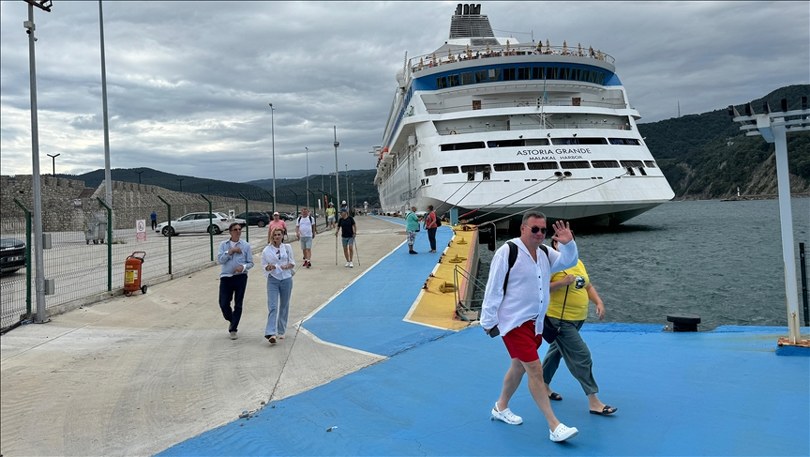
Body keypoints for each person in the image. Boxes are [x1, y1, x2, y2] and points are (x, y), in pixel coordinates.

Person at [480, 213, 580, 443]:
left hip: (535, 323)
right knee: (535, 369)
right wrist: (488, 322)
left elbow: (568, 262)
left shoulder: (545, 252)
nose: (540, 234)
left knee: (519, 366)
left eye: (543, 230)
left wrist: (568, 243)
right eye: (535, 229)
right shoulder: (508, 251)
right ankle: (554, 426)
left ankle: (500, 406)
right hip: (513, 322)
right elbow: (493, 287)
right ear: (523, 228)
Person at [542, 237, 617, 416]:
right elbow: (539, 286)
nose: (567, 246)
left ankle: (542, 385)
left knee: (556, 352)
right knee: (582, 356)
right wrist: (561, 283)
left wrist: (599, 302)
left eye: (570, 242)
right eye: (562, 242)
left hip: (577, 320)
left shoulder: (578, 262)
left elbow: (587, 286)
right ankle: (594, 401)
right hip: (559, 320)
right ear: (554, 244)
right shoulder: (553, 264)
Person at [217, 222, 253, 340]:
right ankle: (232, 319)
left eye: (239, 229)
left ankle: (233, 328)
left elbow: (250, 262)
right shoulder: (224, 245)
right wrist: (230, 251)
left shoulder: (246, 245)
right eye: (235, 229)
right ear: (230, 232)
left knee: (238, 303)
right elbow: (221, 260)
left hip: (240, 277)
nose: (238, 231)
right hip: (226, 276)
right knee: (223, 303)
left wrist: (242, 267)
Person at [261, 228, 295, 345]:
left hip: (286, 279)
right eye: (275, 235)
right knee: (273, 306)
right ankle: (270, 332)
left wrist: (284, 267)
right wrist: (269, 267)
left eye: (279, 234)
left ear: (282, 236)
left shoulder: (287, 248)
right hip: (273, 280)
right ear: (272, 236)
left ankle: (281, 330)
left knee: (284, 305)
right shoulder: (266, 250)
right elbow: (264, 266)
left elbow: (292, 263)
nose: (277, 237)